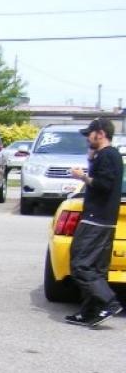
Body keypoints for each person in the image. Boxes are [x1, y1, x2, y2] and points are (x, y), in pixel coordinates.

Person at [65, 118, 123, 325]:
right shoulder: (108, 155)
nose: (87, 138)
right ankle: (90, 311)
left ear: (100, 133)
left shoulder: (108, 156)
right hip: (103, 219)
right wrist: (91, 158)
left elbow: (103, 185)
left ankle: (109, 302)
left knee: (81, 264)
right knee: (96, 268)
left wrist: (82, 177)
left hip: (95, 220)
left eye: (90, 134)